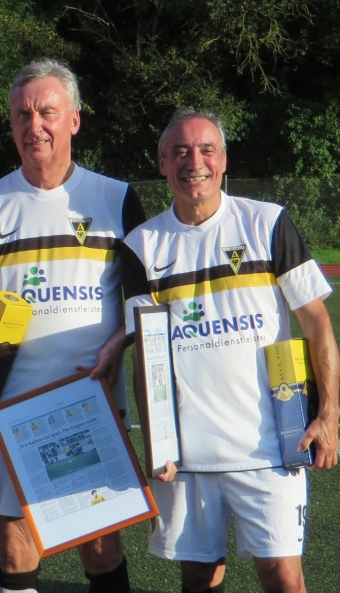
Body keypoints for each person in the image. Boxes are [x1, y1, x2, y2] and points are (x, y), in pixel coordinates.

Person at [0, 59, 145, 593]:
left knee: (100, 548)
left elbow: (143, 302)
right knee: (15, 548)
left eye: (47, 112)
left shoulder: (116, 198)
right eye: (22, 115)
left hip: (90, 400)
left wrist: (119, 344)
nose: (35, 126)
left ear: (74, 119)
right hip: (7, 405)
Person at [121, 107, 338, 593]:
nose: (193, 162)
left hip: (271, 444)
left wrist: (329, 415)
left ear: (223, 160)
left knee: (282, 576)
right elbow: (146, 356)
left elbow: (317, 323)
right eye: (180, 151)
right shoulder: (141, 246)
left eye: (206, 150)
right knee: (199, 577)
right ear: (162, 162)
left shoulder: (267, 222)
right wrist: (158, 444)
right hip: (188, 453)